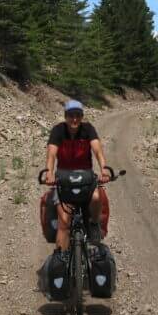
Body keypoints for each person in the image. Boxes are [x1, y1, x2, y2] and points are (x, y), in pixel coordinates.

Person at [45, 99, 109, 252]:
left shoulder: (88, 129)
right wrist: (49, 173)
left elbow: (97, 150)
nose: (74, 119)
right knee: (64, 223)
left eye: (78, 115)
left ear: (82, 116)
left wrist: (104, 169)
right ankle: (60, 263)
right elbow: (51, 155)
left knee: (96, 197)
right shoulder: (58, 130)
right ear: (65, 116)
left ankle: (94, 224)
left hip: (85, 178)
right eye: (71, 115)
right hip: (63, 180)